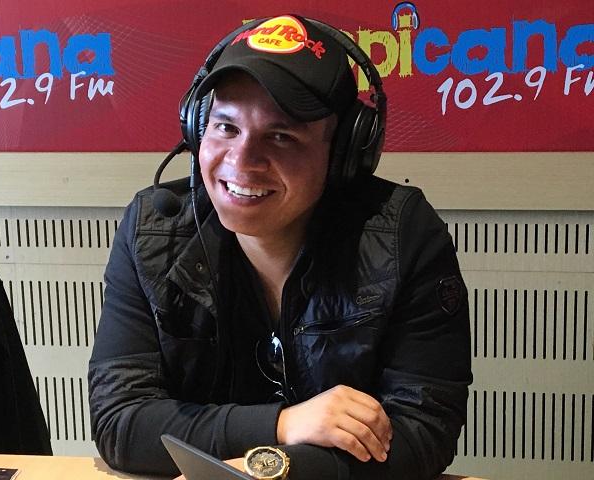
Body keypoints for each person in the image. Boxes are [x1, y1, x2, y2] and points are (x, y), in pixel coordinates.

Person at [88, 13, 472, 480]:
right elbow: (121, 423)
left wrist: (264, 468)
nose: (242, 160)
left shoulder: (403, 236)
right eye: (226, 128)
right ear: (196, 128)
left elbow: (423, 433)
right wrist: (283, 425)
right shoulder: (154, 230)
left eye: (281, 136)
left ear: (343, 153)